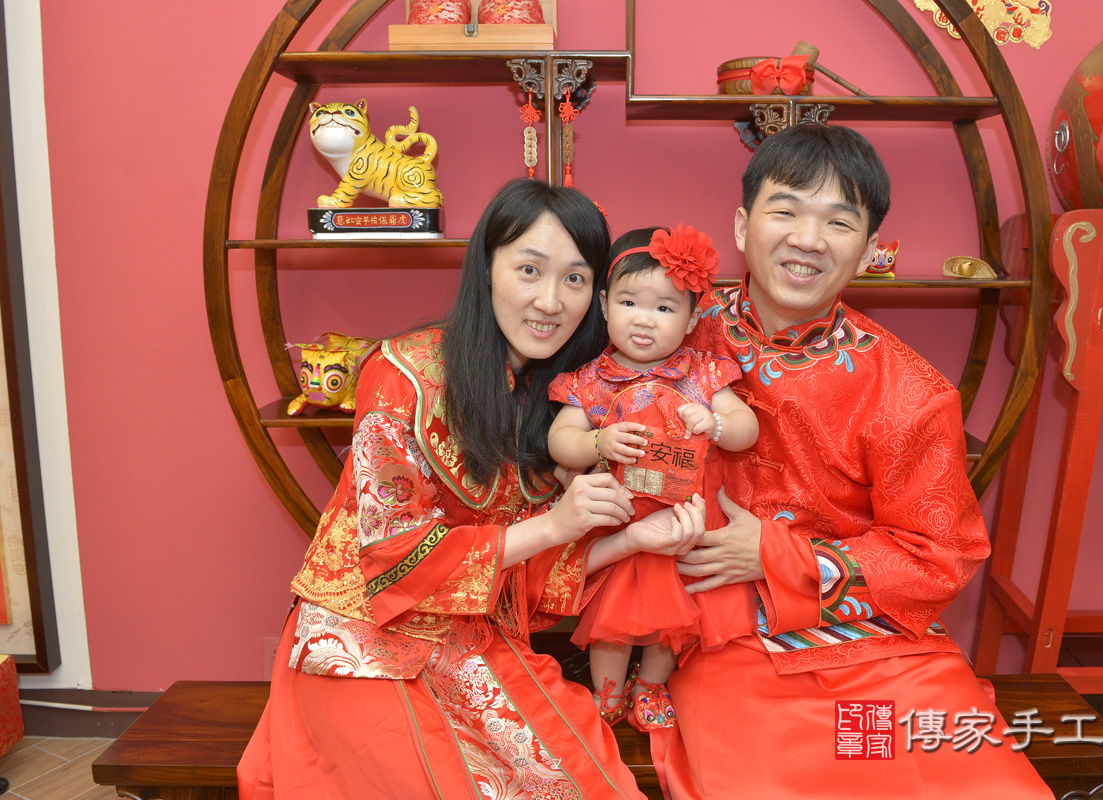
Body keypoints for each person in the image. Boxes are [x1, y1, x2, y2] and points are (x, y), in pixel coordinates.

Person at [237, 179, 707, 800]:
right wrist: (553, 524)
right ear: (485, 268)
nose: (549, 301)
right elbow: (393, 556)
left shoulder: (559, 403)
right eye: (529, 269)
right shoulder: (403, 374)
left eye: (574, 278)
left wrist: (633, 540)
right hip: (358, 646)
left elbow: (523, 583)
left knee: (576, 785)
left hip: (474, 645)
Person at [658, 124, 1055, 798]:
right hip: (730, 639)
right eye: (785, 211)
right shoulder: (669, 340)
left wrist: (778, 556)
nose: (808, 239)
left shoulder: (909, 390)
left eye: (838, 223)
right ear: (742, 225)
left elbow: (940, 556)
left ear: (870, 251)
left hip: (886, 649)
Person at [547, 225, 759, 731]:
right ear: (604, 305)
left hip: (683, 521)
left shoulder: (703, 374)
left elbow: (747, 429)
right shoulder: (590, 379)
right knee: (611, 620)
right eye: (628, 303)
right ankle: (608, 692)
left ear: (691, 320)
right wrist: (597, 442)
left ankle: (650, 687)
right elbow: (560, 440)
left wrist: (717, 423)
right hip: (619, 520)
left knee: (675, 617)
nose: (644, 320)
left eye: (664, 308)